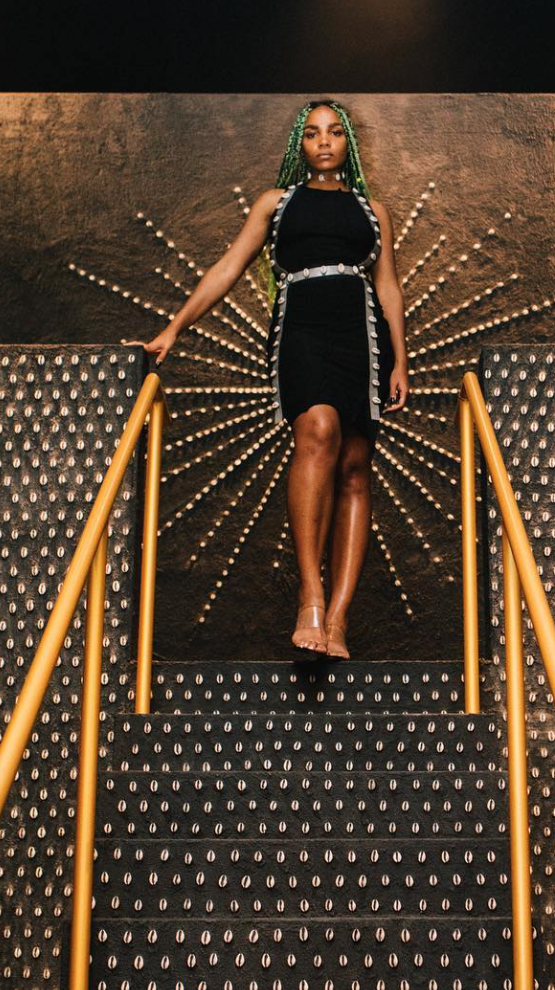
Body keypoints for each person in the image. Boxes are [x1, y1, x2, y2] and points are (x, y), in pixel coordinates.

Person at [129, 98, 409, 659]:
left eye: (334, 132)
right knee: (319, 432)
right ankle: (310, 592)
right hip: (303, 327)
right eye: (312, 134)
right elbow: (229, 266)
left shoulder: (373, 211)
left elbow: (388, 286)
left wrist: (400, 358)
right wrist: (174, 328)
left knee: (355, 467)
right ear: (299, 145)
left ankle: (337, 619)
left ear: (347, 142)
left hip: (363, 335)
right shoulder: (276, 204)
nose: (324, 142)